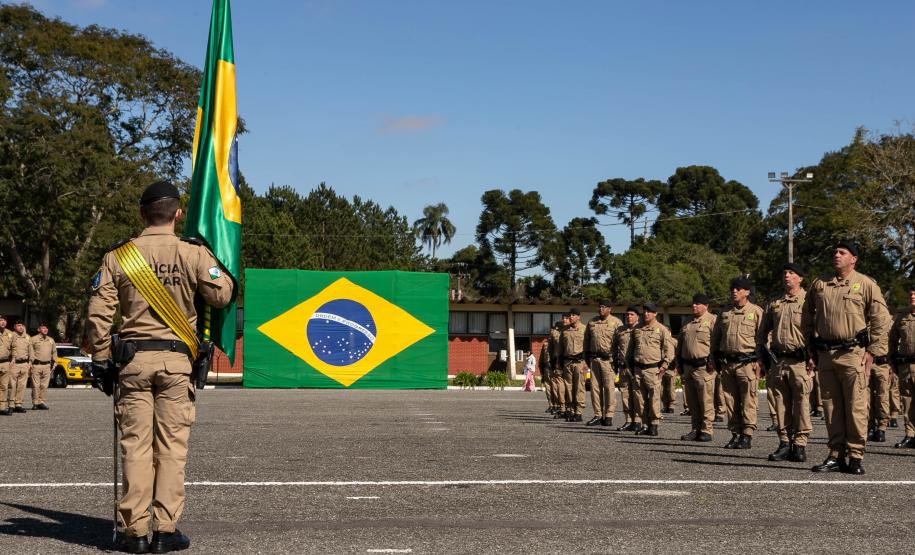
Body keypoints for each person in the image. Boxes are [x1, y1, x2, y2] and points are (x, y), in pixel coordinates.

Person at [87, 180, 234, 553]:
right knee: (172, 447)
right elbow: (222, 295)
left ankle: (134, 531)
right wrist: (215, 257)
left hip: (133, 362)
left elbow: (99, 315)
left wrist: (101, 361)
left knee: (135, 446)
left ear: (142, 214)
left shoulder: (118, 256)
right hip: (175, 362)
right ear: (178, 214)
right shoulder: (193, 253)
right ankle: (166, 529)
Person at [802, 241, 890, 475]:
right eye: (835, 251)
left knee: (856, 407)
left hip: (854, 355)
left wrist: (873, 351)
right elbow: (806, 315)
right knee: (831, 408)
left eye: (842, 252)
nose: (836, 254)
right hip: (826, 355)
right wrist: (809, 345)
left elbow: (881, 318)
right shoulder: (820, 284)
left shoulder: (865, 284)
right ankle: (835, 454)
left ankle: (855, 455)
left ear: (854, 259)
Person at [758, 263, 811, 462]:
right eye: (785, 273)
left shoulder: (809, 301)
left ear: (800, 278)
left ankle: (800, 444)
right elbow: (762, 333)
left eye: (791, 273)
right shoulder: (775, 302)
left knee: (801, 403)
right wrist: (762, 357)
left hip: (801, 361)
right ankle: (784, 442)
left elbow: (815, 331)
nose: (787, 276)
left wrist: (813, 358)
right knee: (780, 404)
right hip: (779, 361)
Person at [710, 276, 764, 449]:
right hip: (728, 363)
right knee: (730, 400)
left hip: (747, 363)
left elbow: (763, 339)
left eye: (738, 288)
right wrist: (713, 357)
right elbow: (715, 338)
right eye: (732, 288)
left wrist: (760, 360)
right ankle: (735, 433)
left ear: (747, 292)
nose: (734, 291)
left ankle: (747, 435)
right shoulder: (725, 313)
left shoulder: (756, 311)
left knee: (748, 400)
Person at [631, 302, 674, 436]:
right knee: (639, 399)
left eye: (649, 311)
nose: (646, 314)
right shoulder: (637, 329)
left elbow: (669, 349)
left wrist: (664, 366)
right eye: (644, 311)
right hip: (638, 369)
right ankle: (645, 424)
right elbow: (631, 349)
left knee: (654, 398)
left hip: (653, 369)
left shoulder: (661, 329)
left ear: (655, 313)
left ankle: (654, 424)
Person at [678, 294, 717, 442]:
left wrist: (713, 361)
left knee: (705, 400)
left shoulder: (712, 320)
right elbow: (681, 344)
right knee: (692, 402)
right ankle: (695, 429)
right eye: (693, 303)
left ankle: (707, 430)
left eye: (698, 304)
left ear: (706, 306)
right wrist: (679, 362)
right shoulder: (687, 322)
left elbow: (717, 343)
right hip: (688, 366)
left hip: (704, 367)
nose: (694, 306)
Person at [585, 299, 623, 426]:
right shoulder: (592, 322)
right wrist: (587, 357)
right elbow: (586, 341)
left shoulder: (617, 323)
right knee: (595, 388)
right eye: (599, 307)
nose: (600, 309)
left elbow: (621, 343)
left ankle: (609, 415)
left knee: (609, 388)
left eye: (603, 307)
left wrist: (618, 360)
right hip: (594, 359)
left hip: (609, 361)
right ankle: (597, 414)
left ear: (610, 309)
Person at [889, 284, 915, 448]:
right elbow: (892, 339)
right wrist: (893, 360)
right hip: (906, 366)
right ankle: (910, 435)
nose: (912, 297)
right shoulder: (902, 316)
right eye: (911, 294)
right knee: (907, 401)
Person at [615, 306, 640, 431]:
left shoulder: (641, 329)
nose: (629, 317)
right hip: (624, 368)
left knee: (637, 395)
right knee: (625, 395)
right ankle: (628, 420)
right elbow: (615, 347)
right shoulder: (620, 330)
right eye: (627, 315)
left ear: (637, 316)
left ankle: (638, 420)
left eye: (631, 314)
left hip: (637, 368)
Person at [560, 308, 587, 422]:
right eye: (570, 315)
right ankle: (571, 411)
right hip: (567, 362)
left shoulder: (585, 329)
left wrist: (586, 363)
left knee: (579, 388)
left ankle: (579, 412)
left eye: (573, 315)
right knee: (568, 388)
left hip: (580, 363)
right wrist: (559, 363)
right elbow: (560, 348)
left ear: (578, 317)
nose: (570, 317)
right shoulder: (565, 331)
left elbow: (588, 347)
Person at [29, 323, 56, 410]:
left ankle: (41, 402)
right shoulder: (33, 339)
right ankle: (35, 402)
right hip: (36, 365)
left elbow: (54, 352)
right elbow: (30, 352)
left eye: (46, 328)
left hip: (47, 366)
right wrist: (30, 363)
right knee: (36, 386)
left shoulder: (51, 340)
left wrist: (55, 363)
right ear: (39, 329)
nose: (45, 329)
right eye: (43, 328)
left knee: (44, 385)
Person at [9, 320, 32, 413]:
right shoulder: (11, 336)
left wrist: (30, 362)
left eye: (22, 325)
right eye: (18, 325)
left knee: (22, 385)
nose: (21, 327)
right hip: (14, 364)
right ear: (14, 327)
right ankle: (11, 405)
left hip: (24, 364)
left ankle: (18, 404)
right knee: (12, 385)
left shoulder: (27, 337)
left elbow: (31, 350)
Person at [550, 316, 570, 419]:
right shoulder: (564, 333)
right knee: (566, 387)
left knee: (562, 387)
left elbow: (552, 350)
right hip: (565, 362)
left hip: (562, 362)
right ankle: (567, 409)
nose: (565, 320)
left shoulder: (556, 334)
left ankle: (564, 409)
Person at [0, 315, 12, 416]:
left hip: (5, 363)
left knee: (4, 386)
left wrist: (13, 360)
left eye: (4, 320)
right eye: (0, 320)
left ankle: (2, 408)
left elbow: (15, 348)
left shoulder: (10, 334)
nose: (2, 322)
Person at [538, 338, 555, 412]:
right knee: (548, 388)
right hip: (547, 368)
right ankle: (551, 405)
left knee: (556, 388)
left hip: (555, 368)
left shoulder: (559, 341)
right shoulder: (545, 344)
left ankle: (557, 406)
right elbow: (541, 359)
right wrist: (542, 371)